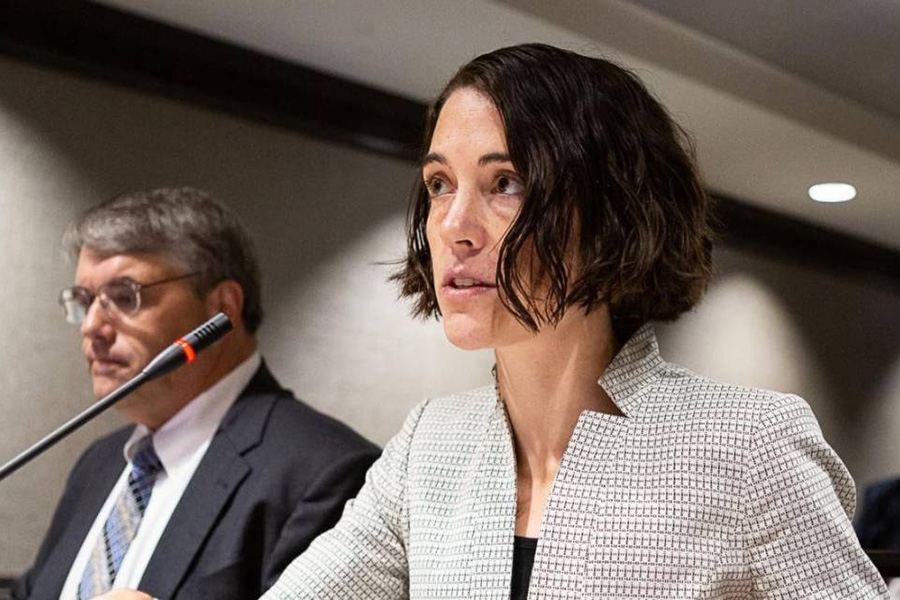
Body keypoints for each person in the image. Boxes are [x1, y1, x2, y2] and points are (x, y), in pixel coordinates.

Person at [262, 44, 887, 598]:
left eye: (505, 182)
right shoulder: (429, 447)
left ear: (611, 215)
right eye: (439, 184)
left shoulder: (748, 447)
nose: (453, 226)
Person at [13, 187, 380, 600]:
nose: (92, 326)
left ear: (222, 307)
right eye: (84, 301)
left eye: (124, 297)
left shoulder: (328, 472)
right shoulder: (99, 463)